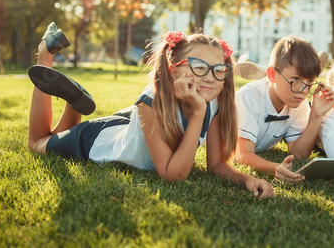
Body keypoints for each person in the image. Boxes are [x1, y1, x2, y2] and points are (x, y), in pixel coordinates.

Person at [27, 23, 274, 198]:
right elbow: (173, 174)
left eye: (218, 69)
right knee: (37, 142)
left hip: (122, 128)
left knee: (52, 137)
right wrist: (198, 114)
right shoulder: (151, 102)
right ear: (173, 69)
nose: (210, 77)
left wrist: (247, 180)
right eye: (199, 66)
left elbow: (217, 165)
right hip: (92, 142)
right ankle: (44, 55)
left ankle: (74, 101)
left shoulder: (215, 103)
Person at [235, 36, 334, 182]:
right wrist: (274, 168)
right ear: (272, 75)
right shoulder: (248, 97)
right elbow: (242, 154)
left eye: (309, 81)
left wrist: (316, 115)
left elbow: (299, 154)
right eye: (295, 79)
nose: (303, 90)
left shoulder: (298, 101)